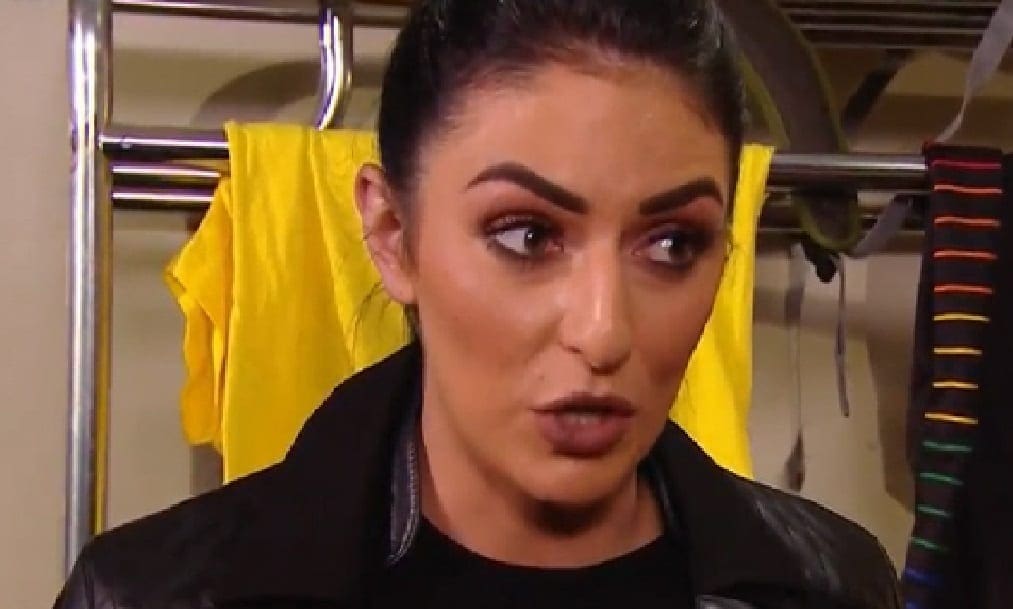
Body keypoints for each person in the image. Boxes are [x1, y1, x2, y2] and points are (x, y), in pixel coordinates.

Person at [55, 1, 901, 608]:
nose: (603, 330)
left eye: (672, 243)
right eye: (527, 235)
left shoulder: (830, 585)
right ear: (392, 234)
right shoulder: (151, 593)